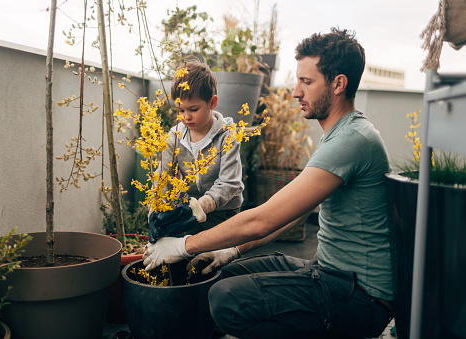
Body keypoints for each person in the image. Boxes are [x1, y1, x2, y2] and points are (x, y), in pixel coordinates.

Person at [144, 28, 396, 339]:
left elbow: (263, 219)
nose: (295, 92)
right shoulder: (340, 135)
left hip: (360, 297)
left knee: (227, 300)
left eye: (306, 81)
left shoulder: (352, 140)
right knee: (215, 274)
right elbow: (292, 215)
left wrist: (182, 246)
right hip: (328, 271)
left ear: (338, 84)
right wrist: (231, 251)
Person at [148, 60, 244, 242]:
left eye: (193, 109)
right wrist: (156, 210)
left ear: (212, 102)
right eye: (180, 110)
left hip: (223, 212)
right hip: (188, 211)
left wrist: (201, 206)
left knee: (216, 254)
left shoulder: (228, 136)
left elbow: (230, 183)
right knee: (186, 256)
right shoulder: (174, 136)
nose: (186, 117)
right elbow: (163, 177)